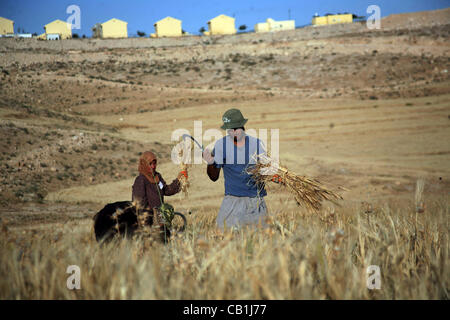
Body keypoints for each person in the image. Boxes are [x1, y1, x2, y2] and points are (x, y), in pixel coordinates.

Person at [202, 108, 268, 231]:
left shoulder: (257, 144)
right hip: (232, 201)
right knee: (224, 238)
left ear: (243, 126)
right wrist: (210, 162)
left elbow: (267, 171)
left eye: (236, 128)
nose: (233, 132)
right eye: (230, 130)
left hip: (256, 201)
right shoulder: (221, 145)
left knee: (260, 240)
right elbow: (213, 177)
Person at [132, 151, 187, 228]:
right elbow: (139, 204)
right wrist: (149, 218)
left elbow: (166, 190)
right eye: (150, 164)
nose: (153, 166)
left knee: (163, 235)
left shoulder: (157, 177)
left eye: (154, 164)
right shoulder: (140, 180)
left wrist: (178, 180)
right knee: (153, 237)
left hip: (160, 215)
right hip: (147, 219)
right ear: (144, 164)